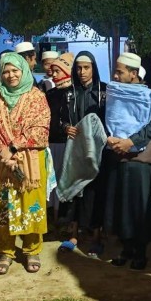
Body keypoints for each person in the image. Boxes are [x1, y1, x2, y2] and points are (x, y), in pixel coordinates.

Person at [0, 52, 51, 275]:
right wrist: (2, 151)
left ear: (24, 71)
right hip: (3, 162)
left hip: (31, 161)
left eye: (15, 70)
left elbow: (40, 129)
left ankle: (32, 250)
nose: (11, 75)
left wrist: (12, 147)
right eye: (6, 71)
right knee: (3, 206)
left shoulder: (36, 96)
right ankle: (6, 251)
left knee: (31, 203)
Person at [105, 52, 151, 270]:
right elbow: (109, 118)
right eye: (115, 71)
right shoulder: (114, 92)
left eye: (120, 72)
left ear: (134, 73)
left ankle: (140, 252)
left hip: (140, 157)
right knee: (121, 205)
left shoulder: (149, 95)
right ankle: (126, 248)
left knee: (139, 205)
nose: (115, 76)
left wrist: (131, 141)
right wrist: (110, 137)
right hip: (117, 154)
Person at [60, 51, 108, 258]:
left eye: (86, 67)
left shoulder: (104, 92)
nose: (82, 72)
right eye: (78, 68)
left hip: (98, 150)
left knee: (95, 192)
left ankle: (96, 237)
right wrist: (65, 127)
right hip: (76, 149)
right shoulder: (68, 92)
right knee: (75, 189)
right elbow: (60, 118)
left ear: (93, 69)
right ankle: (73, 235)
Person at [44, 52, 75, 232]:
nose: (53, 75)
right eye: (53, 71)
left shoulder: (75, 93)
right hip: (51, 143)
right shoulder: (50, 94)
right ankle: (53, 217)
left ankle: (66, 219)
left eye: (57, 71)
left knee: (65, 181)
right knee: (52, 180)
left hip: (68, 144)